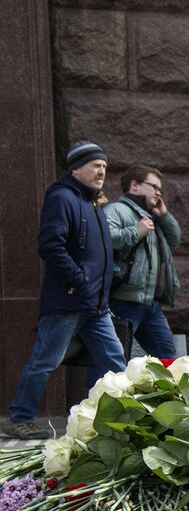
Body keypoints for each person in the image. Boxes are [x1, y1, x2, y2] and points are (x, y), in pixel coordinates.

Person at [2, 141, 127, 439]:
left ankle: (125, 419)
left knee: (115, 362)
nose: (101, 171)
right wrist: (79, 281)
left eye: (104, 166)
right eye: (95, 165)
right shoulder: (62, 197)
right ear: (76, 168)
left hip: (95, 305)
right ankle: (20, 418)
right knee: (45, 360)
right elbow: (50, 246)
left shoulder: (94, 201)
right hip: (69, 300)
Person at [101, 165, 181, 385]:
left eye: (160, 189)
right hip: (123, 301)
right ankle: (96, 407)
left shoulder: (152, 216)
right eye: (153, 186)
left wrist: (163, 215)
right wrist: (136, 231)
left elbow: (175, 239)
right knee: (110, 361)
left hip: (150, 304)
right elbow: (104, 238)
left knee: (167, 359)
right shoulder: (117, 210)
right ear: (134, 185)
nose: (158, 192)